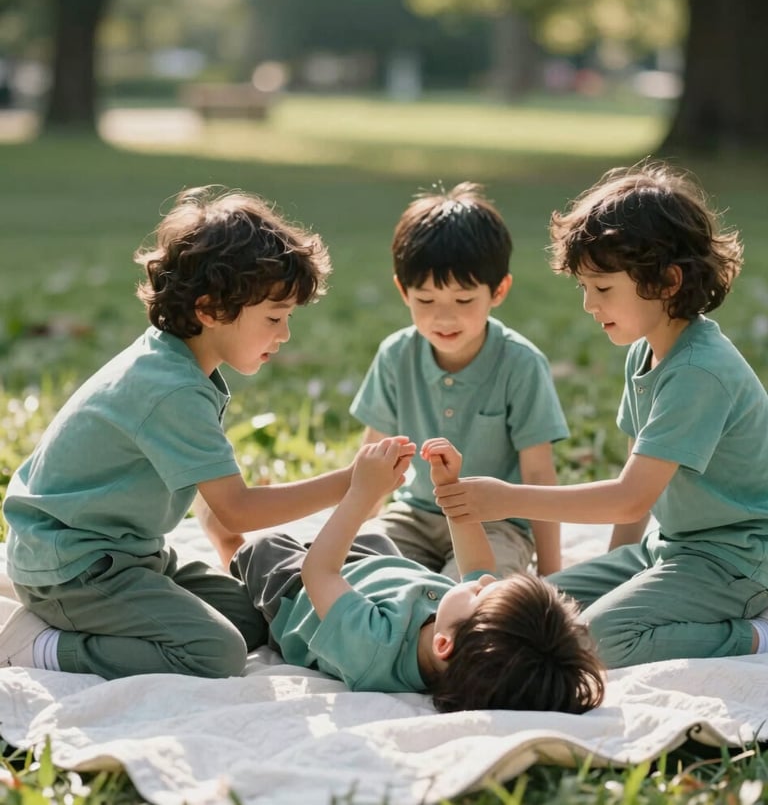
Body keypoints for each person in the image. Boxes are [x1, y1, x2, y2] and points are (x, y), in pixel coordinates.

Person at [0, 185, 369, 680]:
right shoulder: (169, 389)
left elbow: (206, 490)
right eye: (274, 317)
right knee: (217, 652)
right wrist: (352, 482)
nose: (284, 335)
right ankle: (37, 647)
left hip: (127, 552)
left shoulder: (177, 362)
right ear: (210, 309)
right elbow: (237, 507)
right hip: (73, 568)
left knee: (249, 619)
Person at [431, 160, 768, 669]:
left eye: (603, 288)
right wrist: (618, 572)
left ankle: (754, 635)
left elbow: (630, 499)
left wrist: (504, 498)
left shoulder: (700, 371)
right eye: (584, 287)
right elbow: (635, 498)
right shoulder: (646, 352)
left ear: (667, 281)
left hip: (737, 562)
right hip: (671, 548)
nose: (589, 304)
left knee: (591, 641)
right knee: (536, 612)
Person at [229, 435, 604, 713]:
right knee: (377, 540)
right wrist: (450, 489)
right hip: (378, 569)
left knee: (265, 547)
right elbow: (477, 567)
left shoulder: (376, 648)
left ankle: (226, 544)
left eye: (480, 592)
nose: (486, 580)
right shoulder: (456, 630)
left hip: (299, 594)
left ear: (444, 645)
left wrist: (361, 493)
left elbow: (320, 572)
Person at [350, 182, 569, 578]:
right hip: (413, 517)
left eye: (464, 300)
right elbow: (372, 459)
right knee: (362, 569)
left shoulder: (521, 364)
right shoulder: (395, 356)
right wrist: (351, 537)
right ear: (403, 290)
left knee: (473, 592)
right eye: (426, 300)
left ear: (498, 290)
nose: (444, 317)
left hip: (495, 524)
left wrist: (552, 577)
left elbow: (539, 475)